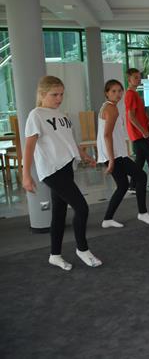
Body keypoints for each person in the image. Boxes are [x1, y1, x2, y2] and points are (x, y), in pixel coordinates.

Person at [22, 75, 102, 270]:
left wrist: (84, 155)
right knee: (81, 208)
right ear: (42, 94)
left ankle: (55, 255)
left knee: (59, 213)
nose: (59, 98)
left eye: (61, 94)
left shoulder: (62, 115)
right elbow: (29, 147)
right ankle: (82, 249)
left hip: (66, 167)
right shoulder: (36, 115)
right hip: (52, 171)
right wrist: (26, 175)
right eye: (54, 94)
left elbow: (69, 141)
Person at [97, 79, 149, 228]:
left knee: (123, 185)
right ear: (106, 93)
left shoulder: (108, 107)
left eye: (120, 91)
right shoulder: (111, 108)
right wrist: (112, 160)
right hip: (115, 155)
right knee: (141, 176)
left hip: (114, 154)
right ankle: (142, 213)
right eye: (113, 91)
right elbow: (106, 135)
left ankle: (108, 219)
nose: (118, 94)